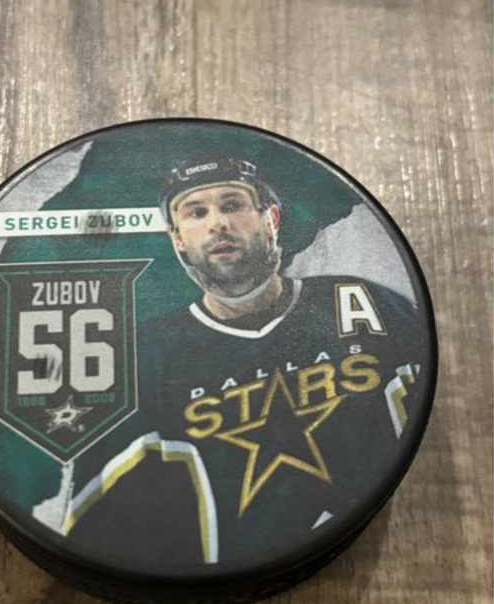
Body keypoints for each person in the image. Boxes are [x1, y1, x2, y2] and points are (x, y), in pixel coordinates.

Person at [59, 152, 427, 567]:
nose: (218, 223)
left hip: (395, 546)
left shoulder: (362, 303)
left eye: (232, 204)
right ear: (177, 238)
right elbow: (96, 524)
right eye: (196, 212)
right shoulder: (147, 355)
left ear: (271, 218)